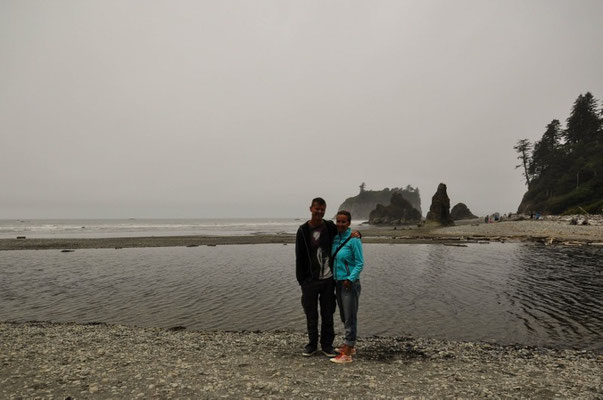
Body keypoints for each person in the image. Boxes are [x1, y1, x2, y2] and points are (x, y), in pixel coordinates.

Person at [295, 197, 360, 357]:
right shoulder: (303, 230)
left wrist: (358, 234)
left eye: (322, 209)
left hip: (328, 280)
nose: (319, 212)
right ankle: (311, 345)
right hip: (310, 281)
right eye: (316, 209)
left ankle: (327, 345)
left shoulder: (329, 226)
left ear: (324, 211)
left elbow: (344, 233)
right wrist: (302, 281)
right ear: (311, 209)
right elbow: (299, 257)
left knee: (328, 313)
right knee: (311, 313)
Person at [330, 210, 364, 364]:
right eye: (338, 221)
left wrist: (350, 279)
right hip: (338, 282)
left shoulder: (354, 240)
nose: (340, 224)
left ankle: (348, 353)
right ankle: (349, 344)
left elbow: (360, 262)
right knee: (344, 316)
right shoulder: (335, 238)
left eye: (343, 222)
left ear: (349, 223)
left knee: (350, 316)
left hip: (349, 284)